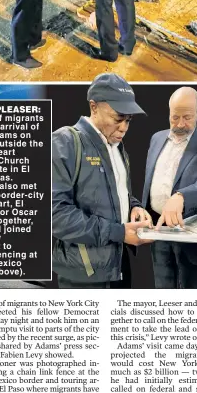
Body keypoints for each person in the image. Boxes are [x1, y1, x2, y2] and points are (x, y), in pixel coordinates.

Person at [52, 73, 152, 288]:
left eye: (128, 120)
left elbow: (116, 193)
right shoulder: (65, 141)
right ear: (94, 107)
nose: (124, 127)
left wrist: (134, 206)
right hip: (82, 275)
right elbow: (55, 215)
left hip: (118, 266)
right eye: (118, 118)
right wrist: (119, 232)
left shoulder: (118, 149)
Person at [142, 87, 197, 289]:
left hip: (192, 235)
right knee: (162, 293)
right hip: (159, 231)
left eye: (187, 117)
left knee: (192, 297)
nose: (180, 124)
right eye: (175, 117)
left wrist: (181, 196)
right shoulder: (156, 138)